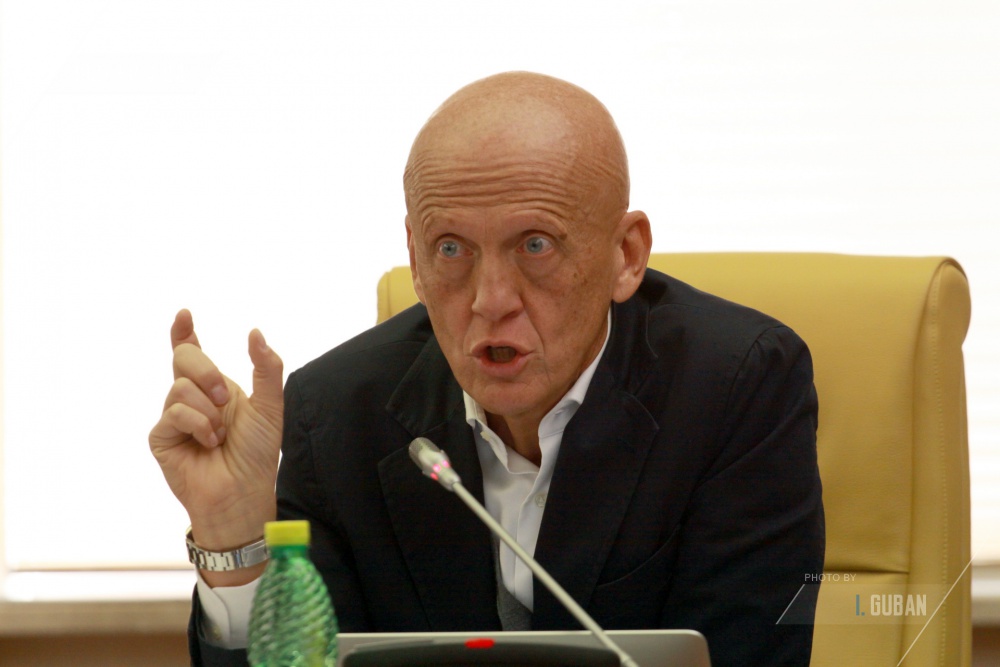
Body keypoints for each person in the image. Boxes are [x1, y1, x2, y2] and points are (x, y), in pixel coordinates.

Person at [150, 71, 825, 666]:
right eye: (451, 248)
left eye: (535, 245)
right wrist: (234, 538)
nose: (491, 300)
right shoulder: (335, 414)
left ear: (626, 255)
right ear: (415, 259)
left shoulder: (736, 389)